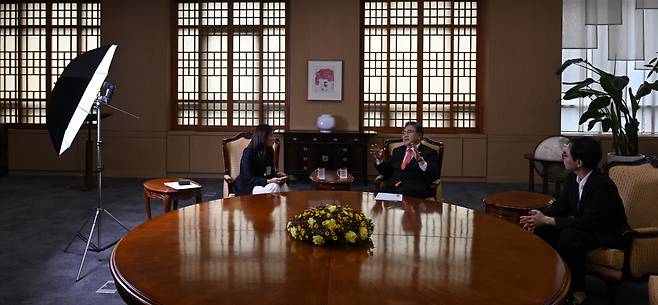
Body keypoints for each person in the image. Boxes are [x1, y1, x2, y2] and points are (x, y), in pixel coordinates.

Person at [520, 137, 629, 305]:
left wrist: (548, 220)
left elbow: (590, 222)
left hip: (606, 232)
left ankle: (579, 291)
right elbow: (562, 205)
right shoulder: (573, 178)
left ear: (578, 162)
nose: (563, 156)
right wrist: (538, 217)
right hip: (586, 227)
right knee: (543, 230)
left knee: (569, 237)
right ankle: (553, 282)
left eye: (566, 154)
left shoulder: (602, 185)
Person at [368, 121, 439, 198]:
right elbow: (387, 172)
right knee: (374, 196)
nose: (406, 135)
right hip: (393, 188)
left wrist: (420, 161)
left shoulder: (429, 152)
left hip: (414, 191)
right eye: (404, 132)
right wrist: (380, 160)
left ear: (419, 135)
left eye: (409, 132)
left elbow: (433, 175)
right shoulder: (397, 151)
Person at [233, 124, 288, 196]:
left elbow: (268, 172)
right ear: (263, 137)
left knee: (283, 186)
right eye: (271, 135)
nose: (273, 138)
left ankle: (283, 207)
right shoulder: (249, 152)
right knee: (274, 187)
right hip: (248, 186)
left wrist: (277, 180)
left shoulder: (269, 152)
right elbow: (248, 178)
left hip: (263, 183)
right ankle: (269, 207)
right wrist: (268, 181)